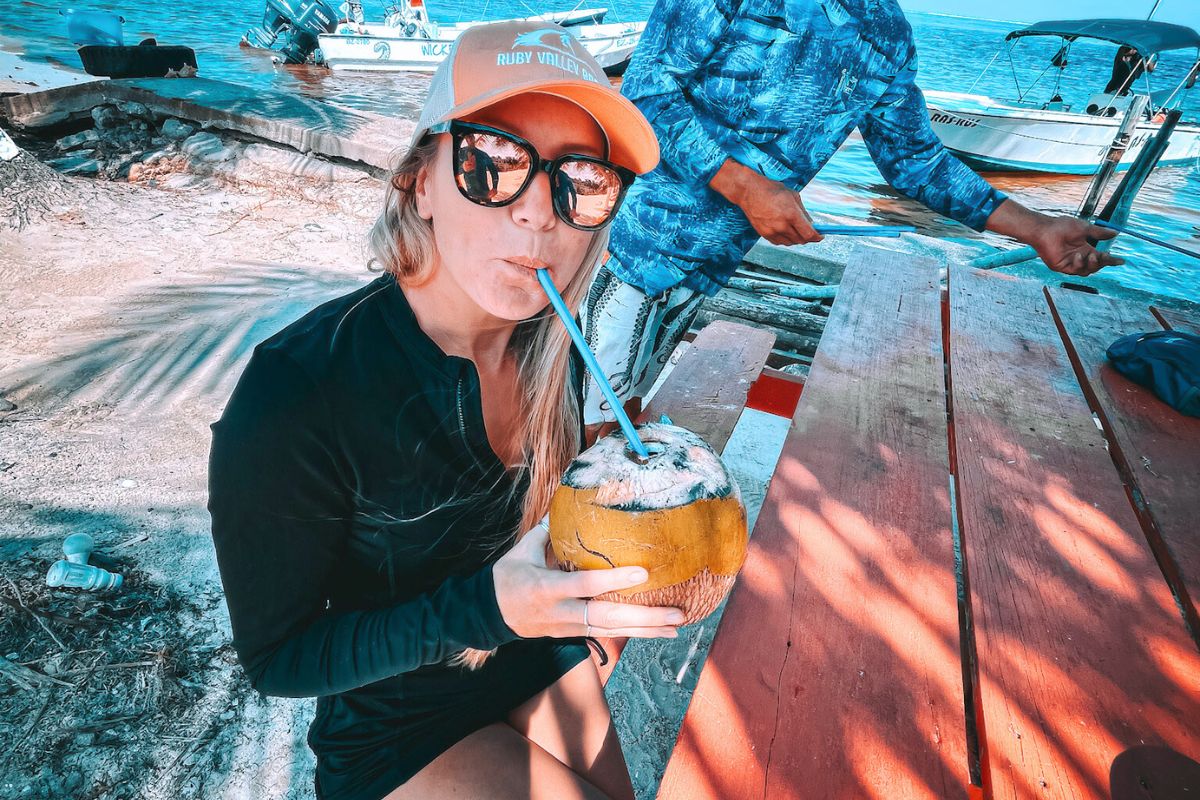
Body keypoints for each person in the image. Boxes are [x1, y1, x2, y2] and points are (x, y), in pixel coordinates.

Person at [208, 21, 672, 800]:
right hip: (397, 725)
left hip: (536, 649)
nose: (540, 215)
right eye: (493, 163)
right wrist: (487, 609)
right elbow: (278, 659)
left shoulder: (552, 343)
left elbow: (534, 522)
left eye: (580, 180)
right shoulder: (296, 392)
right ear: (421, 180)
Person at [581, 0, 1125, 434]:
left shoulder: (884, 31)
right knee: (577, 423)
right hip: (619, 246)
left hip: (705, 270)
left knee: (620, 413)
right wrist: (745, 187)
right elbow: (647, 94)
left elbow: (915, 161)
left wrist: (1037, 229)